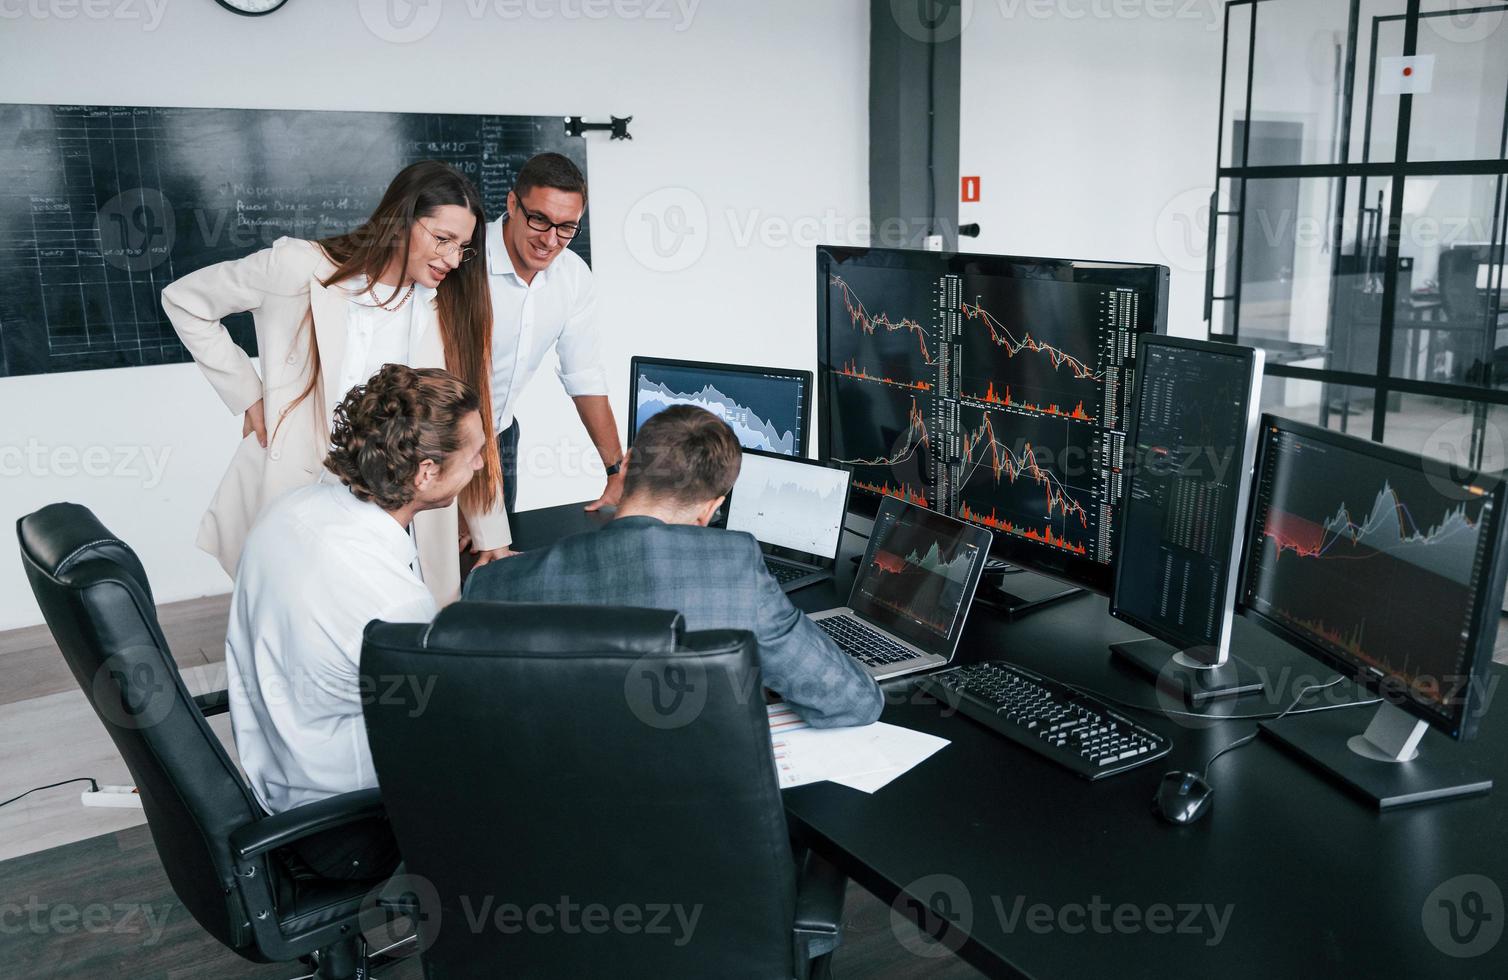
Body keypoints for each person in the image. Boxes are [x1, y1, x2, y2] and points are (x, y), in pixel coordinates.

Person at [162, 160, 508, 605]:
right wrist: (250, 396)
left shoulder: (446, 309)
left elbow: (465, 430)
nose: (453, 259)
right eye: (442, 239)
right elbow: (185, 301)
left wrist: (490, 533)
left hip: (394, 519)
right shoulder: (298, 267)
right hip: (296, 498)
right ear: (399, 221)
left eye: (463, 247)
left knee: (391, 629)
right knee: (295, 621)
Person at [465, 405, 883, 728]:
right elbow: (854, 701)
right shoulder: (736, 572)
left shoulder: (496, 584)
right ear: (710, 509)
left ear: (626, 466)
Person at [226, 364, 487, 879]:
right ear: (427, 473)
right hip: (344, 817)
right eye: (474, 453)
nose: (480, 465)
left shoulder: (292, 509)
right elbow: (443, 727)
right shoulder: (389, 605)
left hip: (273, 772)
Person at [486, 152, 625, 515]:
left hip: (500, 437)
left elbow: (584, 375)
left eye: (567, 227)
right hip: (431, 442)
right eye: (539, 220)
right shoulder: (461, 259)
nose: (551, 240)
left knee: (495, 562)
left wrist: (616, 470)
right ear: (513, 204)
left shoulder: (573, 276)